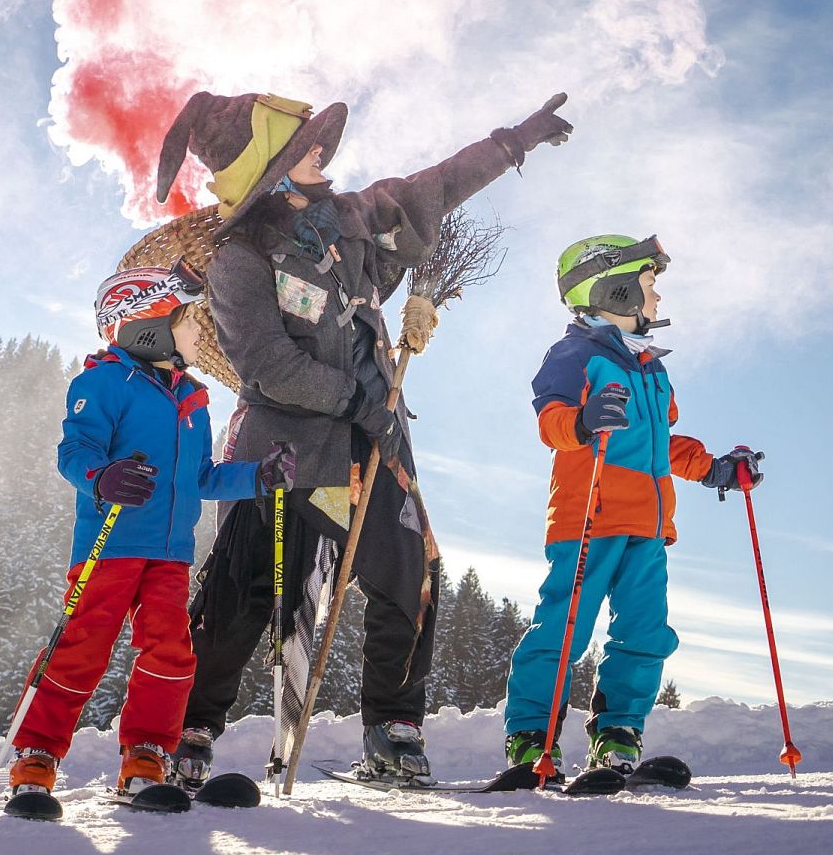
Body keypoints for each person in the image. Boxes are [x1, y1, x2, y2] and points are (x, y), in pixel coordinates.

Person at [152, 90, 576, 784]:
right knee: (250, 591)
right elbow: (266, 364)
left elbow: (435, 186)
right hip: (284, 450)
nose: (323, 150)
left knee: (413, 574)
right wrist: (354, 399)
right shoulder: (239, 259)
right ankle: (191, 729)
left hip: (375, 444)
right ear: (275, 172)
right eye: (304, 147)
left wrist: (510, 144)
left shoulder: (352, 219)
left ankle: (393, 728)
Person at [5, 263, 297, 801]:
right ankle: (36, 757)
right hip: (110, 545)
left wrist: (258, 476)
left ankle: (147, 754)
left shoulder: (193, 401)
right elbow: (75, 452)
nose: (198, 333)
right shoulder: (105, 382)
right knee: (82, 648)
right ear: (149, 325)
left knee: (171, 654)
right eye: (189, 322)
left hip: (170, 554)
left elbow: (204, 477)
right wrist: (103, 477)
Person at [502, 234, 764, 781]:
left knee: (645, 632)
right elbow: (552, 423)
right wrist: (582, 419)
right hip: (589, 519)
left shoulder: (652, 369)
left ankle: (618, 735)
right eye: (649, 285)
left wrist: (716, 467)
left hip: (648, 526)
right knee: (565, 628)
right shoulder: (574, 355)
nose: (657, 298)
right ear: (615, 290)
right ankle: (532, 740)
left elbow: (658, 446)